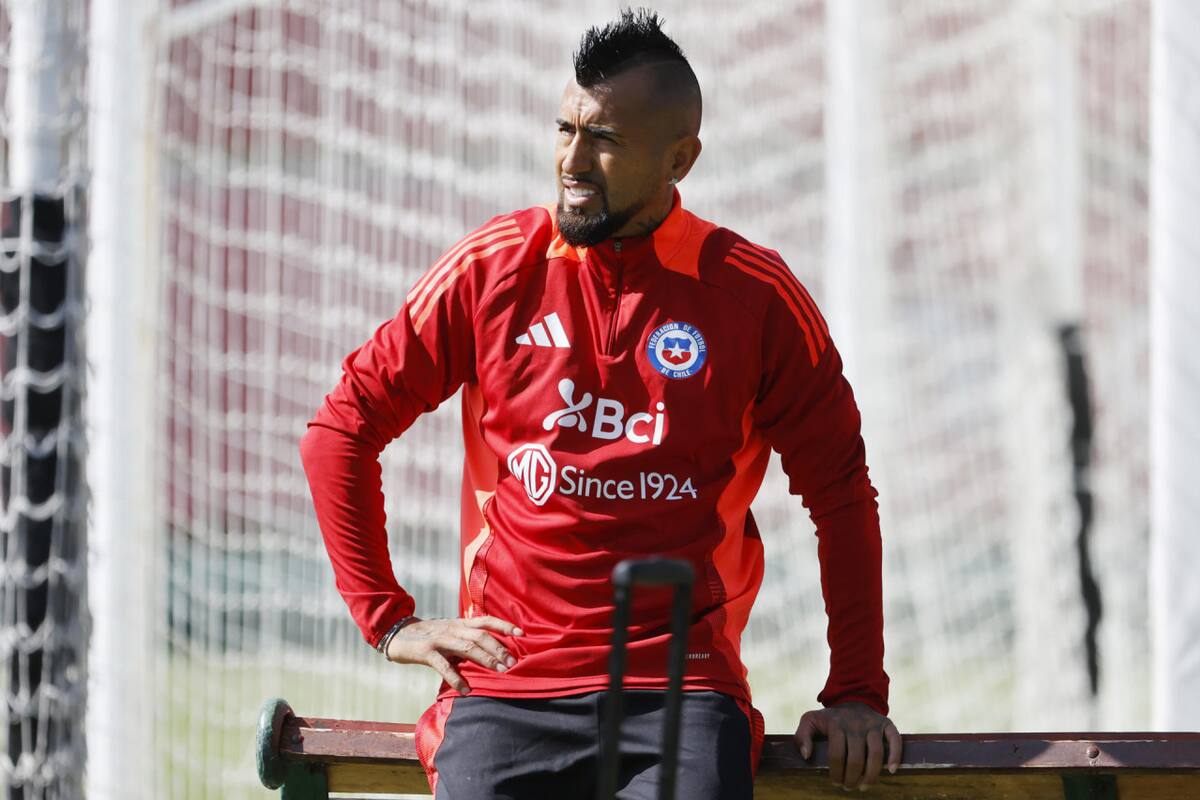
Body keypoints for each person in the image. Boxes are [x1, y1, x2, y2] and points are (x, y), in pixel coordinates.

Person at [300, 8, 902, 798]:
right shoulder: (494, 268)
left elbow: (841, 493)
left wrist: (856, 690)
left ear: (678, 159)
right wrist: (390, 621)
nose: (571, 161)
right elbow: (340, 430)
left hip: (682, 691)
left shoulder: (753, 296)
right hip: (508, 686)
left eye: (605, 140)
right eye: (564, 129)